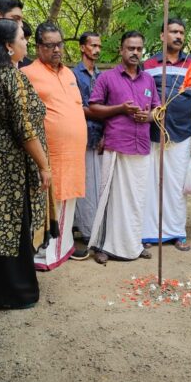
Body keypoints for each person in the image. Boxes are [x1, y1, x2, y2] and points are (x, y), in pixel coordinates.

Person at [0, 18, 50, 309]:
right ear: (8, 46)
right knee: (12, 225)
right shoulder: (10, 76)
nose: (26, 43)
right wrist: (44, 166)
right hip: (11, 164)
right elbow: (24, 128)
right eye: (22, 38)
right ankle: (14, 292)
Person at [87, 31, 161, 264]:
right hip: (116, 145)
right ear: (121, 50)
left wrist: (147, 117)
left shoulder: (148, 79)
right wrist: (121, 109)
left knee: (137, 199)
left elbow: (159, 109)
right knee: (109, 198)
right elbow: (94, 108)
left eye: (139, 49)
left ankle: (132, 245)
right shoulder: (107, 78)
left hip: (141, 147)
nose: (135, 53)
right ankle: (103, 246)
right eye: (130, 48)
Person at [21, 22, 86, 270]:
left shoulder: (69, 74)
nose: (57, 49)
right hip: (49, 156)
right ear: (38, 47)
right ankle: (44, 255)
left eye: (59, 43)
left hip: (73, 155)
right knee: (50, 203)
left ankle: (64, 247)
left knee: (68, 202)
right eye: (50, 45)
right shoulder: (28, 74)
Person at [141, 18, 191, 251]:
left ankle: (176, 232)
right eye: (173, 32)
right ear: (162, 36)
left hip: (181, 134)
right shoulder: (148, 64)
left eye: (181, 32)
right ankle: (148, 233)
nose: (178, 36)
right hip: (151, 133)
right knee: (151, 182)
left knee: (177, 184)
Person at [72, 31, 103, 260]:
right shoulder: (73, 75)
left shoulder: (101, 75)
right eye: (93, 45)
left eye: (99, 46)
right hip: (79, 134)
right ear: (83, 47)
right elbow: (76, 107)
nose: (97, 49)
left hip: (97, 135)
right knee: (80, 184)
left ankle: (90, 228)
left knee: (94, 184)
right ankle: (83, 229)